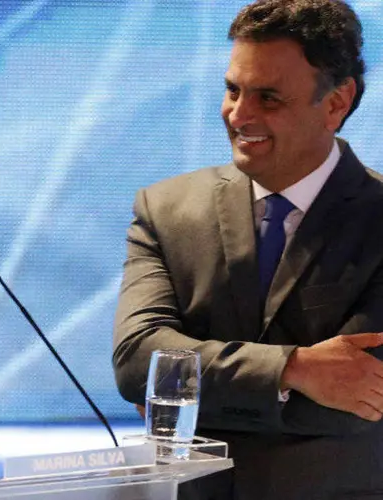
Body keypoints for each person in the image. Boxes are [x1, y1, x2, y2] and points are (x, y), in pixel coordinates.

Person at [113, 0, 383, 498]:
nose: (239, 115)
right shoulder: (166, 209)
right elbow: (136, 363)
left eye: (268, 98)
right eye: (232, 90)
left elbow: (357, 400)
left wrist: (189, 392)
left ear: (336, 103)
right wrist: (293, 369)